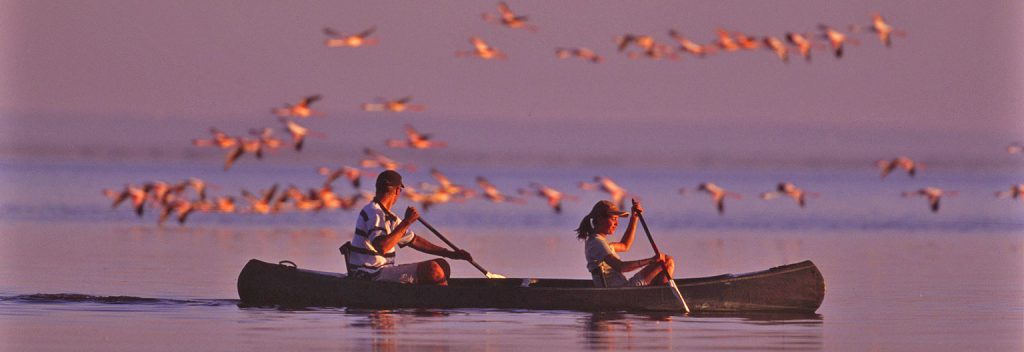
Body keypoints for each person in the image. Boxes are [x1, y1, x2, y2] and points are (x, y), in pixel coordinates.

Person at [342, 170, 472, 285]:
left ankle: (434, 304)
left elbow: (414, 240)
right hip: (370, 275)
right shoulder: (373, 212)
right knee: (434, 269)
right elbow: (382, 247)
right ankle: (444, 305)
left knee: (443, 266)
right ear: (398, 190)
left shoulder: (389, 216)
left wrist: (449, 254)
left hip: (382, 272)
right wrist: (406, 222)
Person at [577, 200, 675, 288]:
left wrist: (634, 218)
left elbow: (625, 245)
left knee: (666, 260)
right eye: (613, 219)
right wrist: (650, 260)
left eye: (617, 219)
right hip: (618, 291)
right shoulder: (597, 242)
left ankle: (661, 292)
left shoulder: (600, 242)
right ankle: (663, 294)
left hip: (622, 288)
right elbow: (621, 267)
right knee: (667, 262)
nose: (616, 223)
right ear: (600, 219)